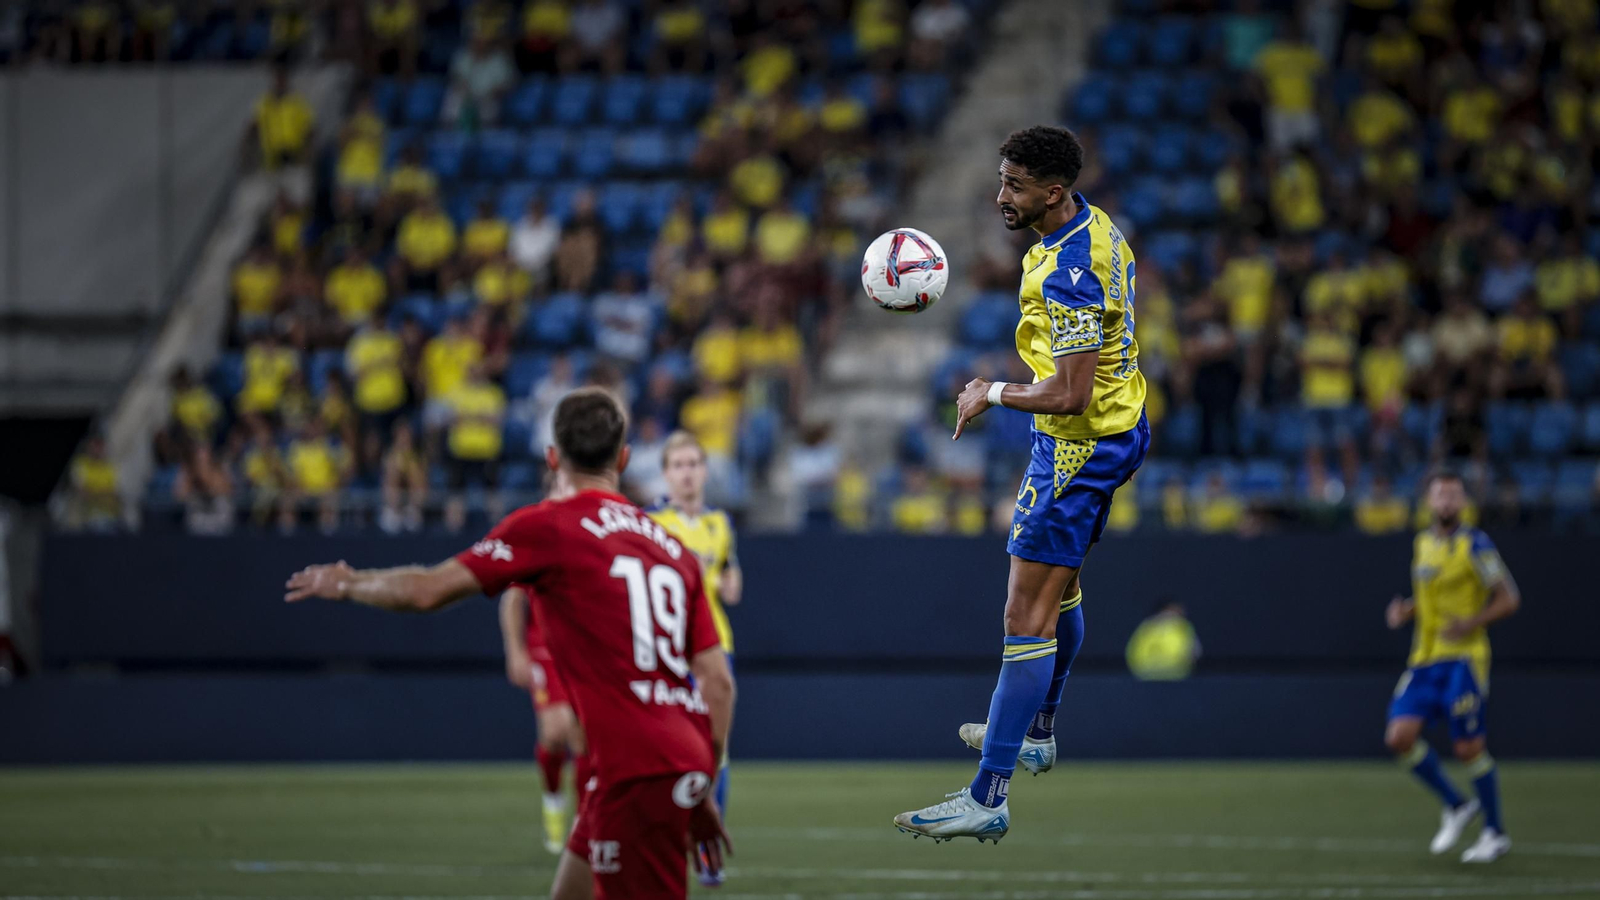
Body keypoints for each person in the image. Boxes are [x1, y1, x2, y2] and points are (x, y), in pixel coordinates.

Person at [285, 388, 733, 899]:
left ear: (552, 457)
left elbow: (429, 590)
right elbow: (717, 683)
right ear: (624, 458)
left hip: (635, 768)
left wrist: (350, 583)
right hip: (660, 760)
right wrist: (699, 790)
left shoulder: (549, 525)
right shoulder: (672, 548)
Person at [894, 126, 1148, 842]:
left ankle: (989, 795)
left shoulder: (1068, 268)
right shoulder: (1095, 230)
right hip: (1112, 429)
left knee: (1022, 619)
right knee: (1058, 593)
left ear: (1052, 192)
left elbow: (1068, 392)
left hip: (1078, 447)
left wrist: (992, 393)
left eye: (1014, 184)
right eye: (1001, 178)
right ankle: (1036, 731)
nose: (1000, 194)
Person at [1383, 470, 1520, 864]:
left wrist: (1471, 624)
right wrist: (1406, 610)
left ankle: (1495, 833)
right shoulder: (1422, 543)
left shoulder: (1476, 545)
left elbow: (1509, 598)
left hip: (1464, 659)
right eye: (1440, 495)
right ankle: (1457, 805)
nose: (1447, 502)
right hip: (1423, 659)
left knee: (1467, 748)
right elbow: (1428, 597)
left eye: (1454, 496)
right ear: (1428, 501)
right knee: (1398, 737)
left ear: (1463, 503)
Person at [645, 431, 743, 887]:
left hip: (712, 647)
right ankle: (659, 842)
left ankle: (706, 850)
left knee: (713, 753)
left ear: (704, 471)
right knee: (665, 754)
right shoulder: (652, 524)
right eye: (678, 464)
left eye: (693, 463)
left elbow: (730, 577)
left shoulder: (719, 524)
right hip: (666, 651)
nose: (686, 472)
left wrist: (729, 582)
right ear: (665, 474)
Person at [500, 473, 591, 856]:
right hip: (545, 647)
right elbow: (512, 599)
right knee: (556, 730)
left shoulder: (594, 530)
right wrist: (516, 651)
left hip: (585, 649)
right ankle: (554, 800)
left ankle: (584, 821)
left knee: (583, 735)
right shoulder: (538, 531)